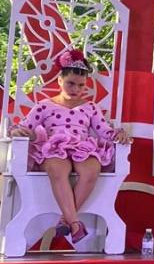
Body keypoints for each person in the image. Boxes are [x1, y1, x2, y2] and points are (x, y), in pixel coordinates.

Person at [9, 47, 129, 243]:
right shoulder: (44, 106)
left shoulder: (90, 107)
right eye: (70, 83)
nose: (76, 89)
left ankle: (66, 221)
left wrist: (119, 134)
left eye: (81, 85)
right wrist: (17, 132)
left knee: (92, 169)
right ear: (60, 81)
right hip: (54, 147)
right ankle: (75, 224)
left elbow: (105, 131)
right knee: (57, 170)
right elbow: (24, 126)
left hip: (82, 147)